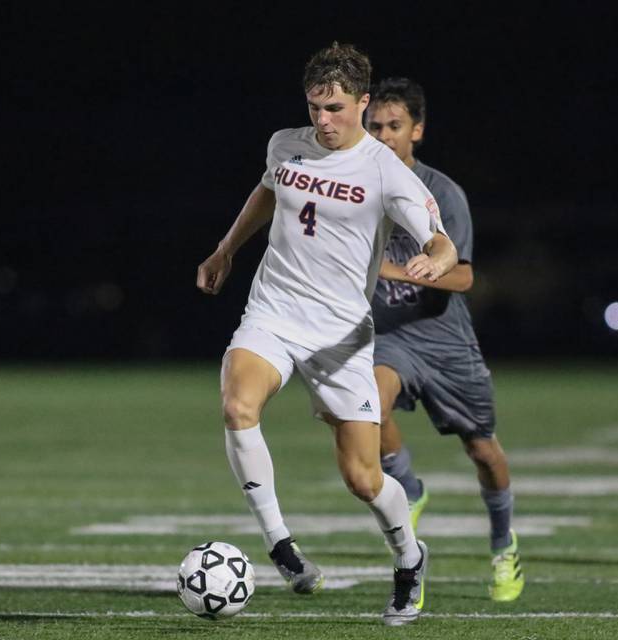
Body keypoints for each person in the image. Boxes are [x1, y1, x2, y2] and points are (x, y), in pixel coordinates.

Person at [196, 43, 457, 626]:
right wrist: (225, 249)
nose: (323, 120)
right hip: (274, 312)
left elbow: (440, 241)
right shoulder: (285, 143)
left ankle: (410, 559)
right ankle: (282, 548)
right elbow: (269, 190)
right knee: (238, 405)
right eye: (314, 107)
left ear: (363, 103)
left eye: (335, 108)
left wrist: (434, 261)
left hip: (340, 335)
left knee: (363, 479)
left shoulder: (386, 172)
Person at [365, 77, 524, 602]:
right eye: (375, 127)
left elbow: (463, 278)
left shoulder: (443, 193)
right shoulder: (355, 187)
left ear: (418, 130)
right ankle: (409, 488)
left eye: (395, 126)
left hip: (446, 342)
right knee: (367, 403)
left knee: (483, 451)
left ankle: (503, 544)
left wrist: (403, 269)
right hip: (391, 337)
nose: (384, 136)